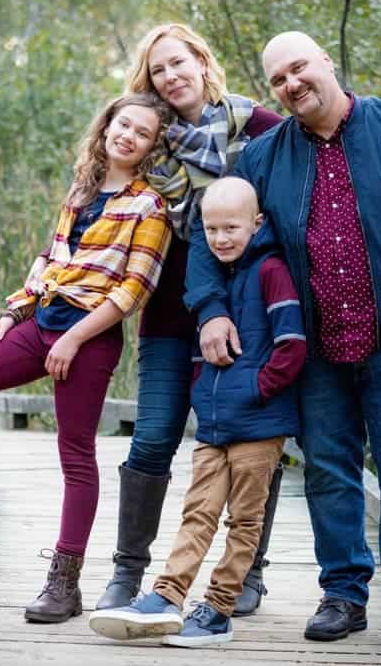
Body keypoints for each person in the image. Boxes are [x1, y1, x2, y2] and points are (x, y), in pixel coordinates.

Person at [185, 31, 381, 658]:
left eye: (299, 68)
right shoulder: (264, 158)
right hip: (313, 346)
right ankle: (343, 594)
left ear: (326, 63)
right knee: (327, 471)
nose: (292, 85)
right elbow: (214, 229)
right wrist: (211, 309)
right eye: (278, 80)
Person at [0, 92, 174, 624]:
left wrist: (74, 340)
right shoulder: (82, 189)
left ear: (151, 147)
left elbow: (133, 291)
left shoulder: (149, 207)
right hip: (42, 320)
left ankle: (63, 584)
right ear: (107, 126)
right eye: (123, 124)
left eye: (142, 133)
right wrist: (15, 313)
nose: (128, 136)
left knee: (75, 453)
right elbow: (50, 257)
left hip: (89, 337)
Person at [96, 22, 285, 618]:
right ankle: (129, 572)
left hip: (251, 314)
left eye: (179, 63)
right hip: (173, 316)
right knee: (153, 436)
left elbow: (308, 168)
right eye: (158, 70)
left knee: (250, 443)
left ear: (202, 62)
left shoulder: (257, 128)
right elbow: (100, 192)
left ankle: (249, 569)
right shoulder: (150, 142)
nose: (171, 76)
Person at [89, 177, 306, 647]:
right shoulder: (214, 284)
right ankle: (167, 596)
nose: (221, 238)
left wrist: (257, 390)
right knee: (197, 512)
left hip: (259, 425)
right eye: (211, 230)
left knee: (243, 520)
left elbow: (291, 346)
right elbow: (201, 353)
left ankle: (219, 609)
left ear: (257, 224)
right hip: (214, 426)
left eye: (232, 227)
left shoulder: (271, 272)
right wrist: (206, 393)